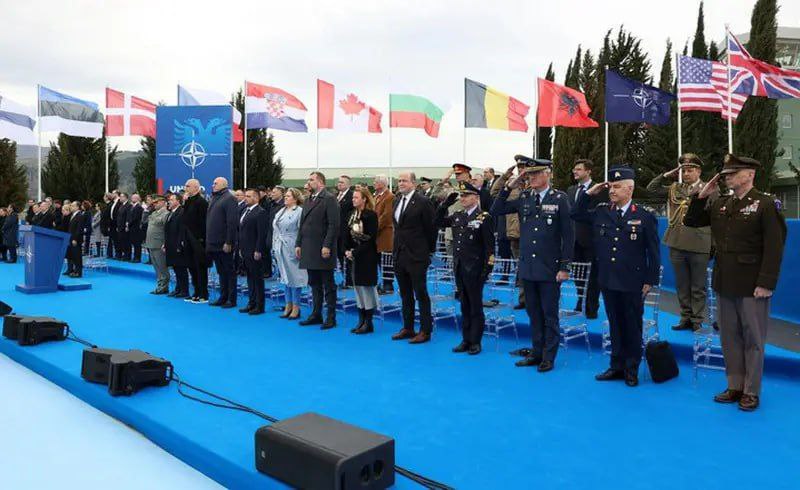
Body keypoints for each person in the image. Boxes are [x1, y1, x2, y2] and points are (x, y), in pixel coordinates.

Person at [684, 154, 786, 411]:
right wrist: (702, 195)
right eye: (726, 173)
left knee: (753, 338)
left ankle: (751, 391)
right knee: (729, 337)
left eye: (733, 172)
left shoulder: (764, 204)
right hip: (725, 281)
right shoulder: (722, 204)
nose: (727, 176)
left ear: (750, 174)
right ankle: (735, 385)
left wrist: (766, 282)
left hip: (752, 284)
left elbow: (774, 248)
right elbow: (692, 221)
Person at [572, 166, 660, 387]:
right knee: (614, 323)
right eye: (610, 186)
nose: (612, 190)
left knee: (632, 325)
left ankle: (631, 368)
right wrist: (588, 193)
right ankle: (616, 365)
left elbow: (654, 252)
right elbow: (576, 213)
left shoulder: (644, 216)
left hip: (633, 281)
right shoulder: (603, 211)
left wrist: (650, 281)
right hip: (608, 279)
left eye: (617, 186)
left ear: (630, 189)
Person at [492, 157, 573, 372]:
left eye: (536, 173)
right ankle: (537, 352)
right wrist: (509, 185)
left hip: (549, 268)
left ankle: (549, 356)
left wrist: (564, 267)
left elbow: (568, 235)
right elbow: (496, 210)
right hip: (528, 268)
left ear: (548, 174)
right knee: (533, 314)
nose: (532, 177)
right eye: (529, 174)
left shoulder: (560, 199)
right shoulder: (525, 197)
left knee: (549, 315)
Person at [647, 153, 715, 331]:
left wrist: (713, 245)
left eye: (690, 170)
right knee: (682, 284)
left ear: (698, 171)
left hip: (700, 242)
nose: (685, 174)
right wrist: (667, 175)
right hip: (677, 242)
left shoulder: (710, 188)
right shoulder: (674, 188)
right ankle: (685, 317)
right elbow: (651, 188)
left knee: (698, 285)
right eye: (683, 170)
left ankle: (697, 320)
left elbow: (715, 217)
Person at [435, 182, 495, 354]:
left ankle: (476, 341)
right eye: (461, 196)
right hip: (460, 267)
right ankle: (466, 339)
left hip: (475, 269)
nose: (462, 198)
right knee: (464, 305)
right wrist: (445, 204)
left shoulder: (483, 217)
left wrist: (486, 271)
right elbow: (437, 221)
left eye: (466, 196)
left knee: (475, 306)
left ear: (476, 198)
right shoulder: (458, 215)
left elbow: (489, 247)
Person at [391, 171, 437, 344]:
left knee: (420, 293)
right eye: (399, 180)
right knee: (405, 294)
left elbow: (431, 229)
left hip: (417, 255)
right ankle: (408, 327)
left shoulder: (423, 202)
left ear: (413, 183)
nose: (400, 183)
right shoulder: (396, 201)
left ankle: (425, 330)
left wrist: (428, 251)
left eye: (404, 180)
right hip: (400, 254)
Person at [296, 172, 340, 328]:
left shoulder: (329, 198)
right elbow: (303, 225)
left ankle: (331, 317)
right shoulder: (308, 199)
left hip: (322, 249)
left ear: (321, 182)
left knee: (328, 284)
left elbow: (333, 225)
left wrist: (327, 245)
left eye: (311, 180)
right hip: (309, 247)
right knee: (314, 283)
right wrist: (298, 243)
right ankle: (316, 313)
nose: (308, 182)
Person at [566, 159, 606, 319]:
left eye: (578, 169)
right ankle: (580, 301)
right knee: (578, 274)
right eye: (574, 169)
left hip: (592, 240)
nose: (575, 172)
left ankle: (592, 307)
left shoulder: (599, 189)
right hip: (573, 240)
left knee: (593, 276)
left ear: (588, 171)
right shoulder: (570, 190)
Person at [491, 156, 530, 309]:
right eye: (519, 167)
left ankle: (531, 298)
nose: (521, 169)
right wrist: (506, 176)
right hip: (515, 232)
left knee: (529, 268)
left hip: (531, 234)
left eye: (524, 166)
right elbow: (494, 193)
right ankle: (523, 299)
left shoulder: (535, 185)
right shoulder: (513, 186)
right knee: (520, 267)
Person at [344, 187, 379, 334]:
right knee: (357, 288)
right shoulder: (352, 214)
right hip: (353, 256)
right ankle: (361, 318)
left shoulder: (370, 215)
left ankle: (368, 321)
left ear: (364, 199)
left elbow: (370, 238)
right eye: (353, 198)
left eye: (356, 197)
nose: (353, 200)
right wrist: (347, 250)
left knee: (366, 288)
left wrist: (355, 252)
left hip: (367, 256)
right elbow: (346, 234)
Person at [273, 188, 307, 320]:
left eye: (288, 196)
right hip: (280, 246)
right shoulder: (281, 211)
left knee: (295, 277)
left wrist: (300, 246)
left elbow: (302, 231)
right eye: (285, 196)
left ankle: (296, 306)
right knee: (285, 277)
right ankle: (288, 304)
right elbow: (276, 229)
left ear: (295, 198)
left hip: (292, 245)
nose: (285, 198)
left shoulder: (299, 211)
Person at [206, 177, 239, 308]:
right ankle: (223, 296)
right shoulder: (214, 197)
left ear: (224, 185)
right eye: (213, 183)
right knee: (221, 271)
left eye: (216, 183)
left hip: (224, 243)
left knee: (229, 272)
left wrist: (229, 241)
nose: (213, 185)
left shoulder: (229, 198)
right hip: (213, 242)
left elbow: (232, 222)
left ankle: (231, 299)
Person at [237, 189, 268, 315]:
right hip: (245, 249)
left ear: (256, 198)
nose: (246, 198)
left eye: (249, 196)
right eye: (245, 196)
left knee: (257, 279)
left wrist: (258, 250)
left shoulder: (261, 212)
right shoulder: (245, 211)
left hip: (255, 250)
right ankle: (251, 302)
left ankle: (259, 305)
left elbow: (262, 234)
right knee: (250, 277)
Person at [183, 179, 209, 303]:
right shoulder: (188, 201)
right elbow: (185, 220)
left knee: (200, 267)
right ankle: (196, 291)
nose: (185, 188)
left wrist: (202, 239)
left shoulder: (202, 202)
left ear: (196, 188)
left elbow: (204, 222)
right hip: (188, 239)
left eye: (188, 186)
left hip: (198, 240)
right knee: (191, 266)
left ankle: (203, 293)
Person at [164, 193, 190, 299]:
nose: (169, 201)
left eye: (172, 199)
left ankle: (184, 290)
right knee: (175, 268)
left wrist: (180, 244)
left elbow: (182, 230)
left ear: (178, 201)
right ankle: (178, 289)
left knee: (181, 269)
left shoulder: (181, 212)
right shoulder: (171, 212)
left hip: (177, 245)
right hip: (170, 244)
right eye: (169, 199)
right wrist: (165, 244)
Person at [373, 175, 395, 294]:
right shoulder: (376, 196)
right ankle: (382, 282)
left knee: (387, 260)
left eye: (375, 181)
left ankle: (388, 285)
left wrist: (374, 227)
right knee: (379, 260)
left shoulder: (390, 197)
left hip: (385, 233)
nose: (374, 183)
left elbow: (386, 216)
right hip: (377, 234)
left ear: (382, 183)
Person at [144, 195, 170, 295]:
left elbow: (167, 230)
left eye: (156, 202)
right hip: (151, 243)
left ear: (163, 202)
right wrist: (147, 209)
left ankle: (164, 286)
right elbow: (144, 221)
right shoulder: (154, 213)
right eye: (153, 203)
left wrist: (165, 243)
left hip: (159, 243)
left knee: (162, 267)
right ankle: (160, 285)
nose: (154, 204)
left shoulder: (166, 214)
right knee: (156, 267)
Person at [336, 175, 354, 288]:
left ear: (348, 184)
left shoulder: (351, 196)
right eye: (338, 182)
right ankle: (344, 278)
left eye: (342, 182)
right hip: (337, 231)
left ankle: (350, 280)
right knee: (339, 255)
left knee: (347, 256)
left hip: (347, 230)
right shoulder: (336, 196)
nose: (339, 184)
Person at [66, 204, 84, 278]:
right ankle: (74, 271)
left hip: (76, 240)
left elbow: (79, 229)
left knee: (77, 256)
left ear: (77, 207)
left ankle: (78, 272)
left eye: (73, 206)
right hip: (71, 238)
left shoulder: (80, 216)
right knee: (73, 256)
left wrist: (75, 239)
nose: (71, 207)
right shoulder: (72, 215)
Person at [128, 193, 144, 263]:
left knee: (137, 244)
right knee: (134, 243)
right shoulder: (132, 207)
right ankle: (135, 257)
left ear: (137, 199)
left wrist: (129, 223)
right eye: (132, 197)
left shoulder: (139, 207)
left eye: (134, 198)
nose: (132, 199)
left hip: (136, 228)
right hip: (132, 228)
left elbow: (136, 218)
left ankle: (137, 258)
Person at [116, 193, 132, 260]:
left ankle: (127, 256)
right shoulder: (121, 205)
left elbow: (128, 216)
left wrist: (127, 225)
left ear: (125, 197)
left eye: (121, 197)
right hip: (120, 226)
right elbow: (119, 216)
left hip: (125, 227)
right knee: (121, 241)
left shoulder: (129, 205)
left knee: (126, 242)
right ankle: (124, 254)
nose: (120, 198)